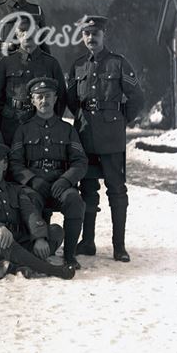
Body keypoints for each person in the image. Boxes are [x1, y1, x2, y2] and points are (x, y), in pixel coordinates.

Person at [67, 15, 145, 262]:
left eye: (96, 34)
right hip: (85, 137)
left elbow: (137, 98)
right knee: (87, 188)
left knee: (116, 190)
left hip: (111, 139)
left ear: (104, 35)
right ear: (82, 37)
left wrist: (120, 121)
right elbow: (70, 99)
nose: (91, 38)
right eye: (87, 34)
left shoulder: (118, 63)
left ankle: (118, 246)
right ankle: (88, 242)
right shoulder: (78, 65)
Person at [0, 143, 75, 280]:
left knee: (55, 231)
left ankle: (13, 265)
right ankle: (53, 270)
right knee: (0, 240)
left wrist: (39, 237)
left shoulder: (15, 190)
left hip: (17, 241)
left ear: (5, 165)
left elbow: (30, 213)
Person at [9, 77, 87, 269]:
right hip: (35, 187)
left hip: (59, 185)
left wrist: (65, 180)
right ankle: (38, 248)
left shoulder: (67, 129)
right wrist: (32, 180)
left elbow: (80, 161)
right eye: (39, 97)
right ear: (33, 101)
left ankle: (69, 255)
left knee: (74, 200)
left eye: (48, 96)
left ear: (55, 99)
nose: (44, 101)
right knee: (28, 200)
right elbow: (15, 163)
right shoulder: (23, 130)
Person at [0, 14, 66, 144]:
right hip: (12, 123)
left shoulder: (51, 63)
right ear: (17, 35)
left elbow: (61, 97)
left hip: (42, 123)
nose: (27, 35)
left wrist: (50, 119)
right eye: (22, 31)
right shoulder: (7, 62)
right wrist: (6, 117)